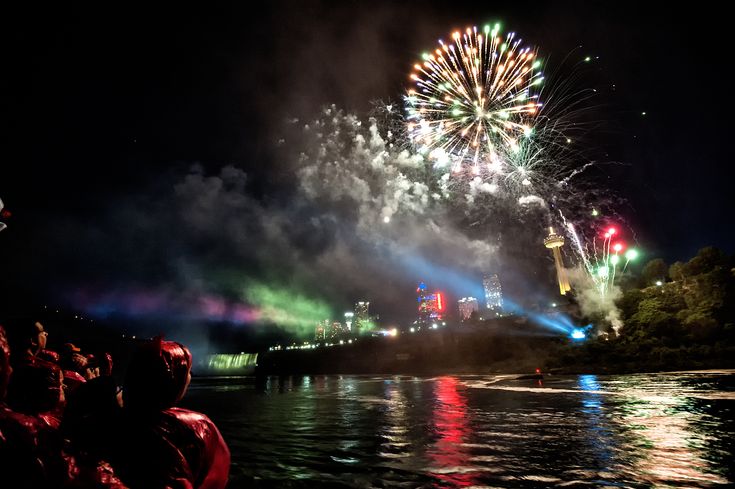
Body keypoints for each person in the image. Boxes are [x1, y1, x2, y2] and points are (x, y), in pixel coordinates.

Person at [112, 338, 230, 489]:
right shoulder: (197, 427)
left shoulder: (108, 420)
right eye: (187, 372)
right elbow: (214, 476)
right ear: (174, 379)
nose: (190, 377)